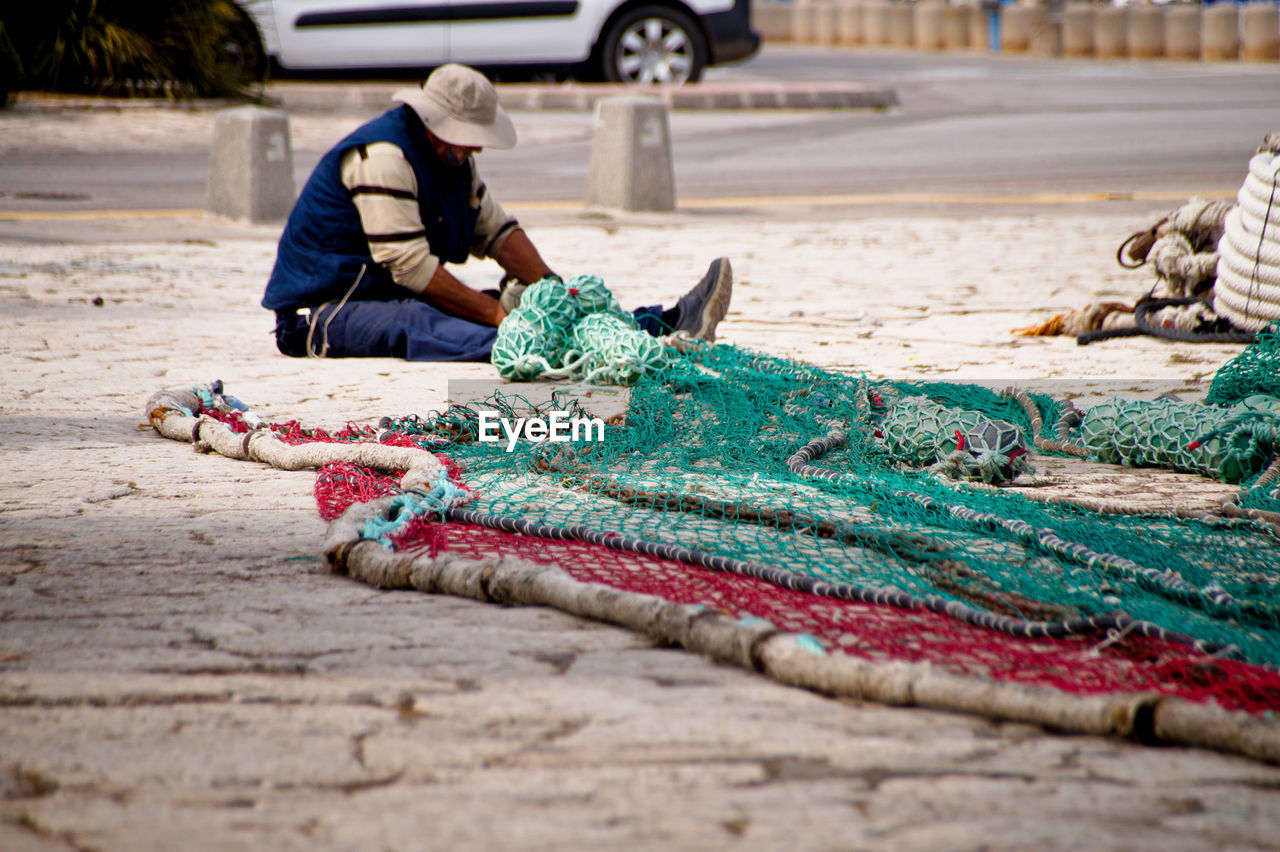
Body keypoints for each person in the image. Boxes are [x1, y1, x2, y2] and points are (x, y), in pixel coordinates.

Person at [262, 63, 732, 361]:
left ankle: (663, 323)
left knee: (524, 304)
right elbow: (408, 267)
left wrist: (555, 293)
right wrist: (503, 320)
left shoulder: (454, 159)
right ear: (431, 121)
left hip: (386, 291)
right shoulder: (384, 156)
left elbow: (496, 231)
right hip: (321, 311)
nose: (477, 145)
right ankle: (571, 352)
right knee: (424, 324)